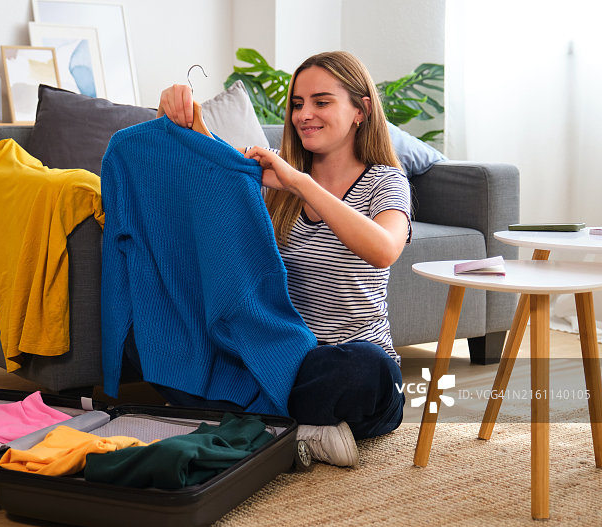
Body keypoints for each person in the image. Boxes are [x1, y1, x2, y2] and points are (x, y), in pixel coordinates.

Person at [151, 51, 410, 466]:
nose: (304, 114)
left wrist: (300, 184)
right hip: (281, 359)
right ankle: (296, 431)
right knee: (158, 332)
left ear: (361, 110)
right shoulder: (276, 173)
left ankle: (256, 422)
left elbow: (384, 248)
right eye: (297, 104)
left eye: (321, 102)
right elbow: (202, 157)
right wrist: (179, 111)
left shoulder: (384, 182)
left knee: (372, 369)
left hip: (344, 368)